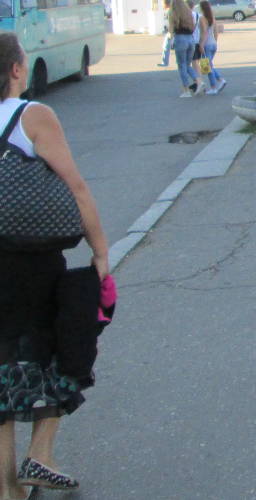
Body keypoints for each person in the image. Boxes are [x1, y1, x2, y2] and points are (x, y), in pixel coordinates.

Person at [0, 33, 110, 497]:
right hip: (34, 261)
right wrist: (100, 250)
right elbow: (76, 187)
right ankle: (40, 455)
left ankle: (10, 490)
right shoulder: (33, 116)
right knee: (61, 348)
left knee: (3, 364)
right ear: (17, 70)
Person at [167, 0, 199, 98]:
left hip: (180, 39)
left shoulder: (173, 13)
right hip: (191, 39)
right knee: (187, 64)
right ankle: (198, 81)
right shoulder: (188, 13)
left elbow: (171, 29)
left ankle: (186, 90)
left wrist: (170, 41)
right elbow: (193, 27)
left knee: (181, 65)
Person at [196, 0, 227, 95]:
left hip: (206, 45)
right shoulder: (212, 17)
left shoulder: (202, 18)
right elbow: (216, 32)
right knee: (209, 65)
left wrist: (201, 44)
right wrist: (215, 42)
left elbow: (204, 32)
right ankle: (220, 80)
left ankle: (214, 86)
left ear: (202, 8)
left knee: (207, 67)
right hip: (213, 44)